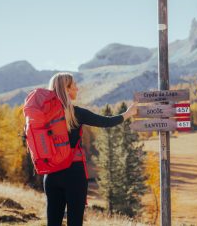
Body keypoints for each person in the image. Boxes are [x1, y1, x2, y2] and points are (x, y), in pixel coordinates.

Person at [43, 72, 137, 226]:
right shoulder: (76, 113)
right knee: (75, 222)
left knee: (53, 223)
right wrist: (128, 114)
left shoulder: (43, 114)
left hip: (51, 175)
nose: (77, 89)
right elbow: (106, 122)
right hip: (74, 173)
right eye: (74, 86)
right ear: (66, 89)